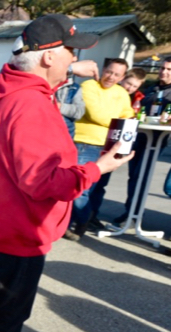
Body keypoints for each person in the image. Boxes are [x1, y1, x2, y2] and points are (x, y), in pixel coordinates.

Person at [0, 13, 131, 332]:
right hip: (17, 232)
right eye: (69, 52)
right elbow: (44, 181)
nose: (72, 60)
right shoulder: (28, 103)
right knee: (3, 319)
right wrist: (100, 167)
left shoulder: (11, 90)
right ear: (46, 57)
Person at [62, 57, 134, 240]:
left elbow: (128, 116)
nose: (111, 77)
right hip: (83, 142)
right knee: (77, 189)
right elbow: (95, 114)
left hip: (106, 146)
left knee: (89, 189)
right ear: (103, 70)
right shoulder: (89, 87)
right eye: (109, 72)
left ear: (122, 77)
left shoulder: (121, 93)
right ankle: (81, 220)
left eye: (117, 74)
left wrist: (118, 118)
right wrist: (115, 118)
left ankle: (78, 222)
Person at [113, 60, 170, 226]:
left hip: (156, 140)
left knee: (141, 175)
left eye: (168, 69)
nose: (163, 72)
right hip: (138, 136)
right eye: (162, 68)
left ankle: (135, 214)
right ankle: (130, 211)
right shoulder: (152, 88)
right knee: (133, 175)